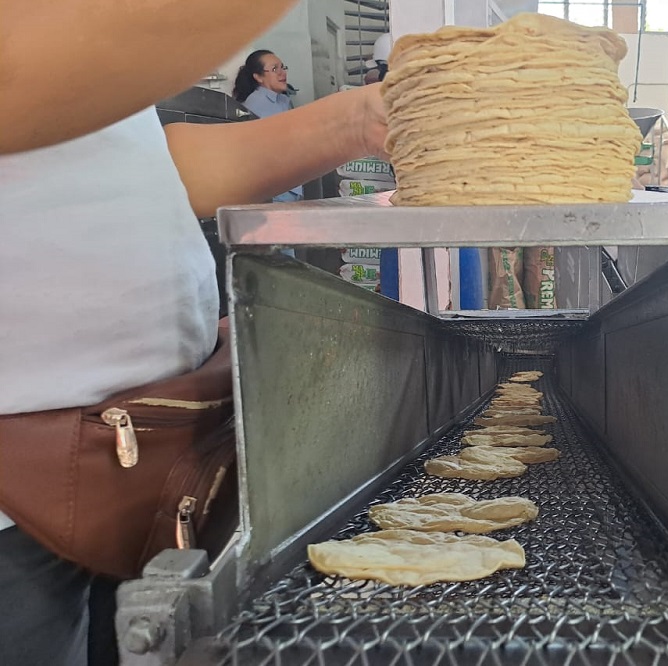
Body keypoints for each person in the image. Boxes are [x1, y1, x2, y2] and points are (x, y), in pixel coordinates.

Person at [0, 2, 387, 664]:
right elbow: (16, 76)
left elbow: (147, 169)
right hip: (18, 493)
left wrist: (361, 119)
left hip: (147, 453)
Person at [233, 49, 303, 203]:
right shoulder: (257, 104)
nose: (282, 73)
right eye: (274, 69)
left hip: (289, 185)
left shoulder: (282, 100)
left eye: (282, 67)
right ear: (258, 77)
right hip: (275, 189)